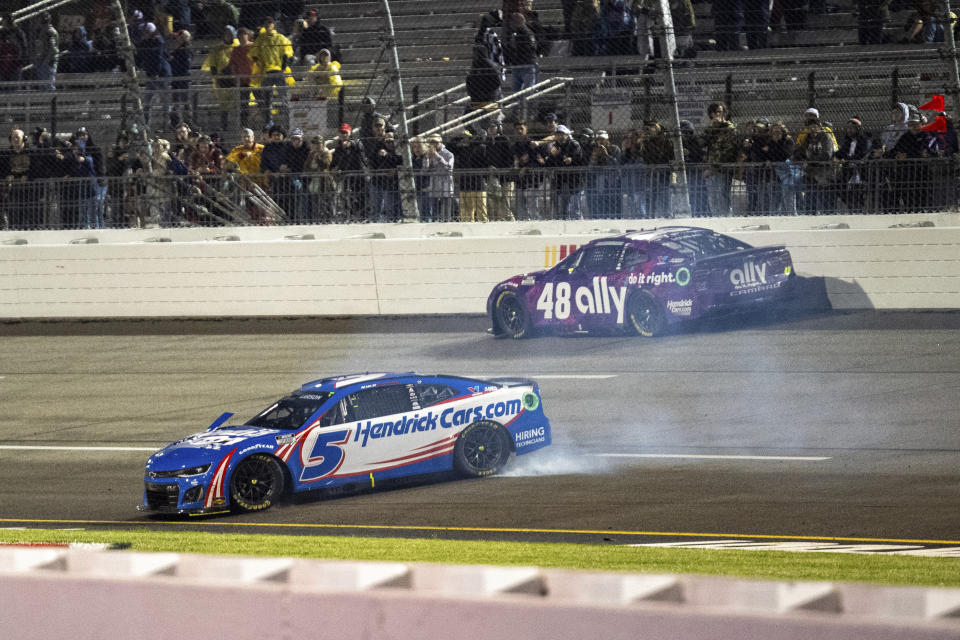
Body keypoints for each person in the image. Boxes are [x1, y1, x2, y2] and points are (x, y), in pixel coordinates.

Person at [251, 15, 294, 128]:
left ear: (273, 24)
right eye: (266, 22)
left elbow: (287, 53)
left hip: (279, 72)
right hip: (267, 72)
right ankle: (269, 122)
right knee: (266, 98)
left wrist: (283, 67)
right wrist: (261, 65)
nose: (268, 24)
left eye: (270, 22)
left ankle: (290, 120)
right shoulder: (261, 39)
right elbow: (254, 54)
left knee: (283, 97)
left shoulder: (280, 37)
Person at [701, 101, 739, 216]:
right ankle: (715, 217)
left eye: (719, 112)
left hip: (723, 169)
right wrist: (710, 129)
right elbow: (701, 143)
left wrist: (713, 168)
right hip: (711, 168)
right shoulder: (710, 129)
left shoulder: (730, 129)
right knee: (712, 196)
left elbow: (727, 151)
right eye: (714, 112)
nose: (716, 115)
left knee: (722, 195)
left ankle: (726, 218)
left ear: (724, 113)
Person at [465, 13, 505, 108]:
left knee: (495, 92)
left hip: (491, 69)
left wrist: (497, 67)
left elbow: (497, 52)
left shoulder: (489, 34)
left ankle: (498, 114)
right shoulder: (480, 34)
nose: (478, 23)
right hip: (483, 69)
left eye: (480, 21)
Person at [135, 23, 171, 127]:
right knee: (147, 101)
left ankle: (167, 123)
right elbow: (140, 57)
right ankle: (146, 124)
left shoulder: (158, 41)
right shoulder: (145, 42)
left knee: (164, 100)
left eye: (145, 31)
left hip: (161, 74)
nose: (143, 33)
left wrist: (156, 73)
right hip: (151, 74)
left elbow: (158, 59)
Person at [798, 118, 838, 214]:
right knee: (810, 197)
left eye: (815, 126)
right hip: (811, 173)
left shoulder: (826, 137)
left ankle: (829, 216)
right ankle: (810, 216)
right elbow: (801, 152)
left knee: (825, 197)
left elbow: (827, 154)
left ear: (819, 127)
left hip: (825, 172)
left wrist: (810, 161)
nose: (812, 129)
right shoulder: (807, 138)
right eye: (810, 127)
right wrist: (802, 159)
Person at [203, 26, 239, 132]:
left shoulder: (237, 46)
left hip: (236, 79)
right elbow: (213, 66)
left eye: (230, 33)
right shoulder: (217, 48)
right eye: (226, 33)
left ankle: (239, 126)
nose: (229, 35)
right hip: (222, 79)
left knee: (238, 103)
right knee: (224, 105)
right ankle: (224, 126)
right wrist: (216, 78)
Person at [331, 123, 369, 221]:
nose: (343, 135)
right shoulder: (338, 148)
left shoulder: (356, 143)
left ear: (349, 133)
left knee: (362, 198)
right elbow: (333, 163)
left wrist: (350, 144)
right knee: (349, 198)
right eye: (341, 133)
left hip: (360, 176)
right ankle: (351, 217)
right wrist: (334, 169)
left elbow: (360, 151)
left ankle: (364, 217)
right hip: (347, 177)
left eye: (345, 132)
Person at [0, 128, 38, 228]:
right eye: (13, 138)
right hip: (13, 186)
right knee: (13, 209)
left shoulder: (30, 152)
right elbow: (2, 168)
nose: (15, 140)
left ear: (23, 139)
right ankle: (14, 228)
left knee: (29, 209)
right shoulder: (6, 154)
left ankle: (28, 228)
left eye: (17, 137)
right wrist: (7, 175)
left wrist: (28, 176)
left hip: (28, 187)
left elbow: (37, 168)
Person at [545, 124, 583, 219]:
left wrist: (570, 159)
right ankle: (564, 220)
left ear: (566, 134)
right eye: (557, 134)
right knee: (563, 206)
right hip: (560, 180)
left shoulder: (574, 144)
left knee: (575, 206)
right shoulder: (555, 146)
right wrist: (553, 155)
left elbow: (579, 159)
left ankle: (577, 222)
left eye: (562, 134)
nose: (560, 136)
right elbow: (549, 164)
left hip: (574, 179)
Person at [834, 117, 873, 212]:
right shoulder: (848, 141)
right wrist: (835, 157)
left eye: (852, 128)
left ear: (858, 129)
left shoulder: (865, 140)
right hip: (848, 170)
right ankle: (852, 207)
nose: (850, 130)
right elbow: (841, 152)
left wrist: (846, 159)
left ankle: (858, 209)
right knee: (838, 188)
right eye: (848, 128)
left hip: (860, 171)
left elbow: (862, 154)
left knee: (857, 193)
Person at [485, 119, 515, 221]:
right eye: (489, 127)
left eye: (493, 127)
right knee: (494, 201)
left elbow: (510, 159)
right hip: (493, 176)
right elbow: (485, 158)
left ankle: (511, 222)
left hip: (506, 176)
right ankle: (498, 221)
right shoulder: (487, 141)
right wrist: (489, 167)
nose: (491, 129)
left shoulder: (504, 140)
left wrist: (499, 169)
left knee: (505, 202)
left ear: (498, 128)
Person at [423, 133, 455, 222]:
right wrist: (427, 159)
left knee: (446, 211)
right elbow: (425, 170)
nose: (433, 145)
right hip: (434, 184)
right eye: (431, 142)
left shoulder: (449, 154)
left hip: (446, 184)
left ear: (440, 142)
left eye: (435, 142)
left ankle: (446, 223)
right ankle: (434, 223)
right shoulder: (429, 153)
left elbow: (449, 168)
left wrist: (437, 156)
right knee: (434, 209)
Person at [304, 134, 336, 222]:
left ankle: (331, 220)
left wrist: (318, 159)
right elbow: (306, 167)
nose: (317, 146)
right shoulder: (311, 154)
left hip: (325, 183)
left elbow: (325, 166)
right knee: (316, 205)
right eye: (314, 143)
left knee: (328, 204)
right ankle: (317, 221)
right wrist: (314, 170)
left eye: (319, 144)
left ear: (323, 144)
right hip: (314, 182)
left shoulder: (326, 153)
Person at [228, 27, 255, 129]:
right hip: (242, 80)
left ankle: (266, 123)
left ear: (248, 36)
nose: (241, 37)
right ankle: (244, 125)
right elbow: (232, 64)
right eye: (239, 36)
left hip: (255, 78)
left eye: (243, 35)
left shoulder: (253, 46)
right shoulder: (236, 49)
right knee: (243, 103)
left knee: (261, 100)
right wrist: (235, 76)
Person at [503, 12, 538, 92]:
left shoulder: (526, 33)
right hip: (517, 64)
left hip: (527, 64)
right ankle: (517, 104)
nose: (510, 23)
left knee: (528, 89)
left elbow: (531, 48)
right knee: (516, 90)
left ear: (517, 21)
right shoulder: (514, 33)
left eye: (512, 21)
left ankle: (526, 104)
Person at [169, 30, 193, 124]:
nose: (177, 39)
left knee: (185, 101)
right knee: (176, 102)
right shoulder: (176, 51)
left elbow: (185, 66)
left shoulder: (186, 51)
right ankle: (176, 122)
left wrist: (173, 60)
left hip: (183, 79)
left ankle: (188, 122)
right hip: (175, 79)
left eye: (180, 37)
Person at [32, 12, 58, 91]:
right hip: (41, 60)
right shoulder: (41, 31)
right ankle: (45, 103)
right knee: (42, 85)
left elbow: (52, 49)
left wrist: (46, 61)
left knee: (48, 85)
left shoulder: (49, 31)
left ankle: (52, 102)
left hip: (48, 61)